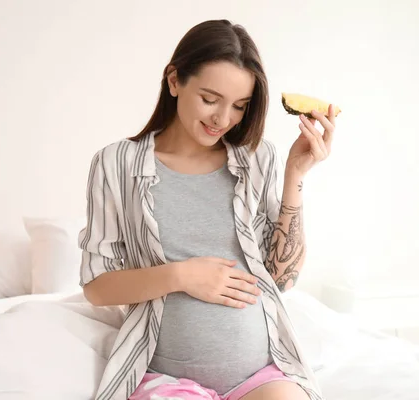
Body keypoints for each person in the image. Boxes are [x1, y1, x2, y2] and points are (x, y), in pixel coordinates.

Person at [78, 19, 337, 400]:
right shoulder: (116, 164)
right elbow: (97, 287)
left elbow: (282, 280)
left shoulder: (256, 158)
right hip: (166, 379)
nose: (223, 119)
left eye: (239, 106)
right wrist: (181, 276)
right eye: (210, 99)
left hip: (261, 376)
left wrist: (294, 176)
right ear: (174, 81)